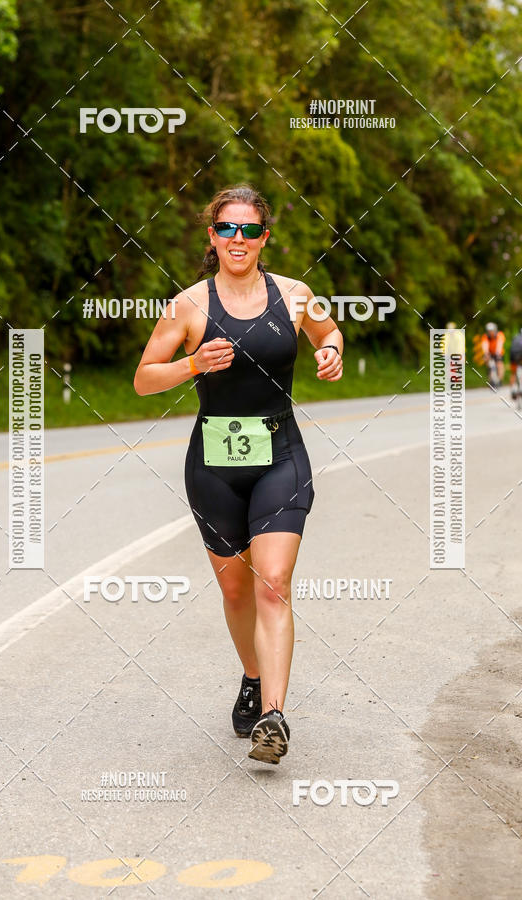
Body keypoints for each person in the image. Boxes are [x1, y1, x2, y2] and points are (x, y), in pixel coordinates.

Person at [134, 184, 343, 765]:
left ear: (264, 238)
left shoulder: (297, 296)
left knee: (272, 580)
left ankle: (273, 715)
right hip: (215, 465)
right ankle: (252, 678)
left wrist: (332, 352)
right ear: (212, 236)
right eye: (228, 229)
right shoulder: (188, 306)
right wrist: (191, 364)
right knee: (235, 586)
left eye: (250, 230)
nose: (239, 240)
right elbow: (144, 377)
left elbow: (329, 333)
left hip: (281, 456)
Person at [481, 322, 505, 386]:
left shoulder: (499, 334)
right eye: (489, 331)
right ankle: (491, 381)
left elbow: (500, 344)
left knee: (499, 364)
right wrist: (486, 353)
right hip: (490, 353)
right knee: (488, 363)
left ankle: (500, 380)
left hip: (498, 353)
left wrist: (498, 353)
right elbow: (484, 345)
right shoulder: (485, 336)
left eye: (491, 331)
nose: (490, 332)